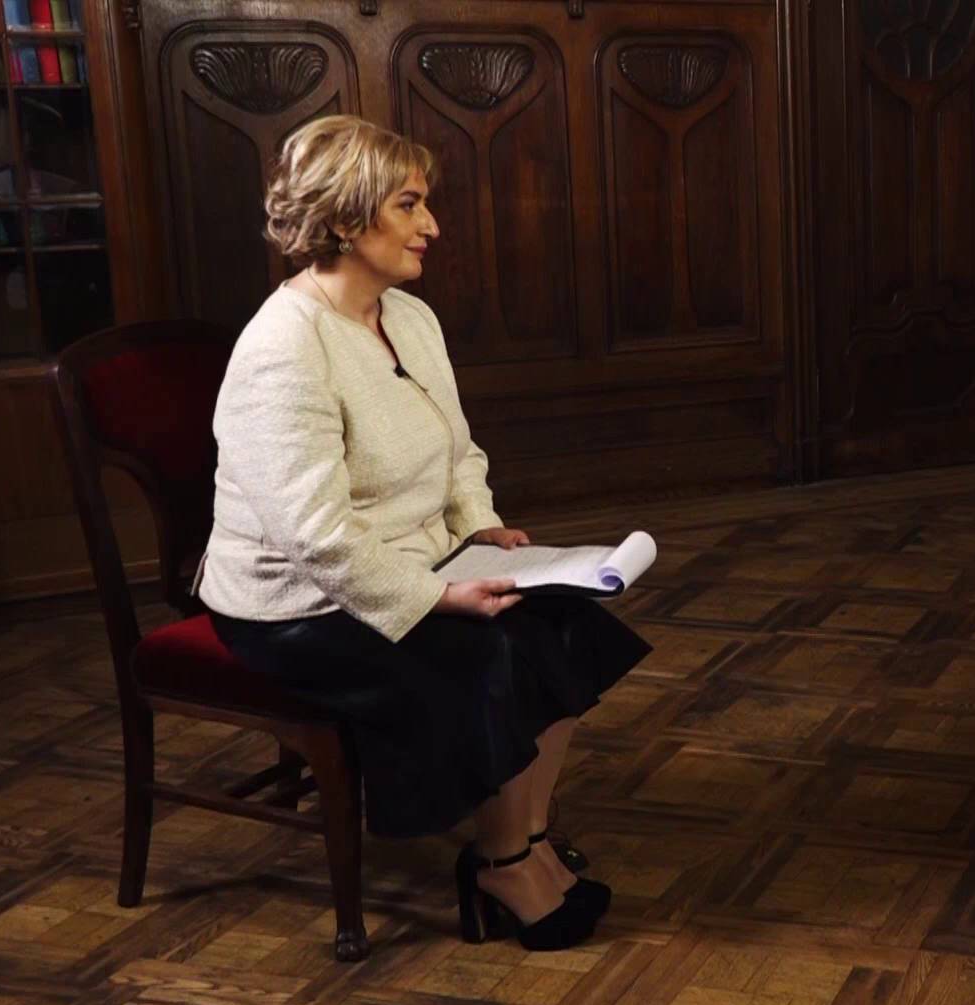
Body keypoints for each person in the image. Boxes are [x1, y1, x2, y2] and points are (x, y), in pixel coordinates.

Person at [194, 115, 651, 952]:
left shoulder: (407, 317)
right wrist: (437, 597)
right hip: (296, 606)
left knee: (566, 624)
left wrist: (482, 528)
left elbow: (456, 449)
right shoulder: (283, 348)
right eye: (408, 205)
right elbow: (315, 537)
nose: (431, 225)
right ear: (345, 217)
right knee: (489, 651)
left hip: (416, 563)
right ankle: (503, 867)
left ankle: (524, 840)